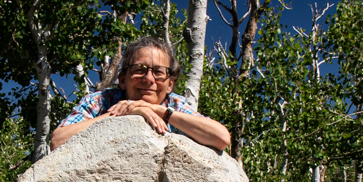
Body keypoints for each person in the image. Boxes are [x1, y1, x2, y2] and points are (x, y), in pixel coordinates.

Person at [50, 37, 231, 152]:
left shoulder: (175, 105)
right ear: (122, 79)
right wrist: (121, 113)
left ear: (170, 84)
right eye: (139, 70)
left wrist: (158, 110)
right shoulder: (100, 100)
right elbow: (58, 140)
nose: (149, 79)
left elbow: (221, 138)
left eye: (159, 72)